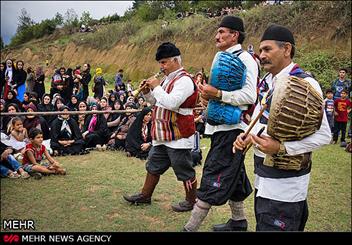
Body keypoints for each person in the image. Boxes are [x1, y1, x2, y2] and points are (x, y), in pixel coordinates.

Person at [233, 24, 331, 231]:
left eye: (267, 49)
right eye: (260, 51)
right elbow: (262, 123)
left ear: (287, 49)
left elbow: (324, 135)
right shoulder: (267, 82)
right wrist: (247, 135)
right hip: (263, 176)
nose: (261, 55)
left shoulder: (305, 84)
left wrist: (281, 148)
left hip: (286, 185)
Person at [183, 15, 258, 232]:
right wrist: (207, 96)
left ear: (234, 35)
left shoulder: (246, 59)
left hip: (233, 129)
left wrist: (218, 93)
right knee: (234, 173)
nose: (217, 36)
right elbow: (217, 95)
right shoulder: (221, 57)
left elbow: (250, 96)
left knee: (213, 171)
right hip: (219, 126)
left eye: (221, 32)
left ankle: (190, 228)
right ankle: (238, 221)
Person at [123, 42, 199, 212]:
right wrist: (147, 92)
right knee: (153, 165)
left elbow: (172, 103)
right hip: (161, 134)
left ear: (175, 61)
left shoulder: (185, 80)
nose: (161, 66)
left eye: (164, 62)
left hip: (178, 134)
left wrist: (156, 86)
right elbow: (157, 103)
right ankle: (145, 195)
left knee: (184, 169)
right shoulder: (167, 80)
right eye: (160, 63)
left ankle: (191, 201)